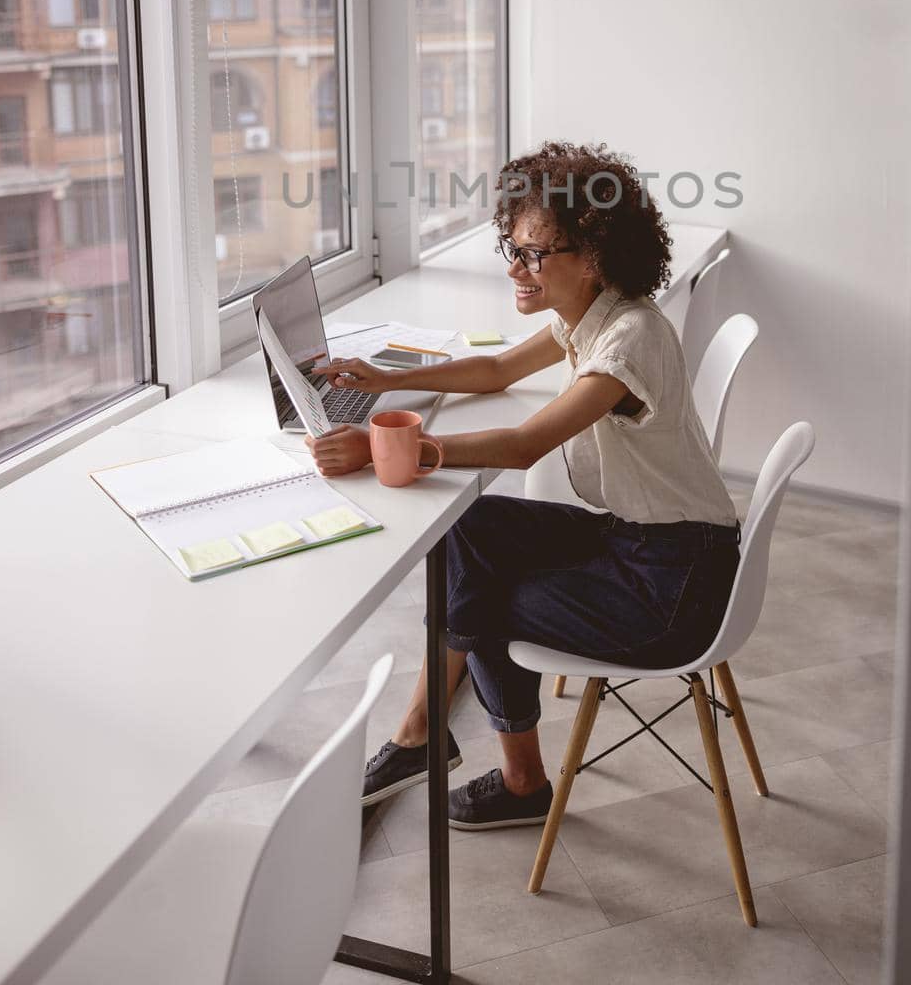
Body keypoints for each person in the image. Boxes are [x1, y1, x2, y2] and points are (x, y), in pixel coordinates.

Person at [305, 140, 740, 831]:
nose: (516, 267)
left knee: (485, 603)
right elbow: (495, 372)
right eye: (511, 246)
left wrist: (386, 447)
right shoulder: (595, 315)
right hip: (647, 541)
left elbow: (523, 442)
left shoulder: (624, 341)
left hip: (673, 584)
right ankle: (421, 733)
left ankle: (514, 779)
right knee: (470, 532)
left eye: (536, 253)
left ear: (593, 254)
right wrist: (389, 379)